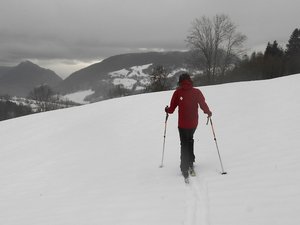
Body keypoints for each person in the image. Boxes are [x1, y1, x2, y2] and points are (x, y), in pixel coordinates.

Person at [165, 73, 212, 179]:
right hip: (193, 123)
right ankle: (191, 161)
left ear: (180, 81)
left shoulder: (177, 92)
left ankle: (184, 166)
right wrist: (208, 112)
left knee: (184, 143)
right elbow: (203, 104)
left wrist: (166, 109)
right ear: (190, 80)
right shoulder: (197, 92)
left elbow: (171, 109)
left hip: (182, 124)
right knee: (190, 140)